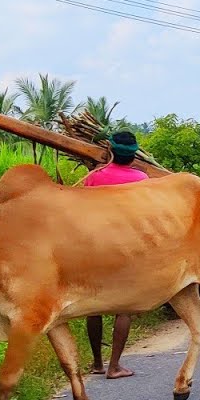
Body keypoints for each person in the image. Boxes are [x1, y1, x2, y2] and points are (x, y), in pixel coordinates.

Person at [82, 131, 148, 378]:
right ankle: (114, 366)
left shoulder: (94, 177)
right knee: (124, 308)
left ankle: (97, 363)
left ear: (111, 151)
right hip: (126, 249)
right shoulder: (142, 179)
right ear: (133, 156)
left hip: (95, 247)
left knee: (93, 306)